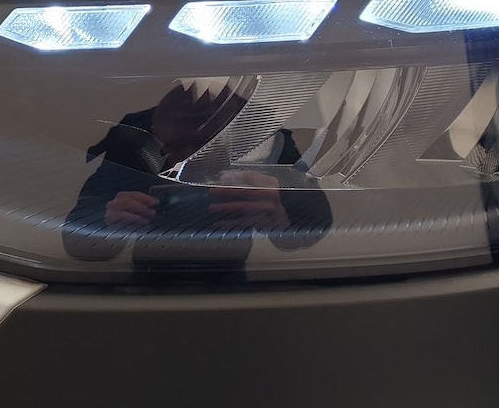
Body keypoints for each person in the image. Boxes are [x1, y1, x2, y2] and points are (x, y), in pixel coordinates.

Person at [62, 82, 331, 279]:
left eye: (206, 148)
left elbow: (315, 224)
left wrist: (282, 216)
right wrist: (108, 222)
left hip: (160, 279)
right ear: (155, 132)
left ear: (233, 138)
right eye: (174, 149)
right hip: (222, 279)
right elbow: (77, 239)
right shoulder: (132, 140)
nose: (188, 163)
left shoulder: (264, 136)